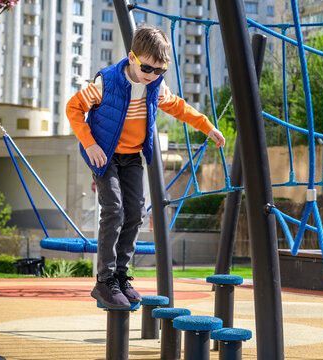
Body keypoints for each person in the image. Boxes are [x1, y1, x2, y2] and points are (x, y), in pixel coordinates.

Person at [66, 26, 225, 309]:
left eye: (159, 71)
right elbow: (73, 107)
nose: (152, 75)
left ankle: (121, 276)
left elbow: (178, 107)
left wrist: (207, 126)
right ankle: (104, 282)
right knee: (113, 209)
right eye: (147, 68)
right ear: (131, 58)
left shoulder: (155, 85)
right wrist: (90, 144)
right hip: (104, 155)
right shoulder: (107, 82)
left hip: (131, 157)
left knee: (136, 213)